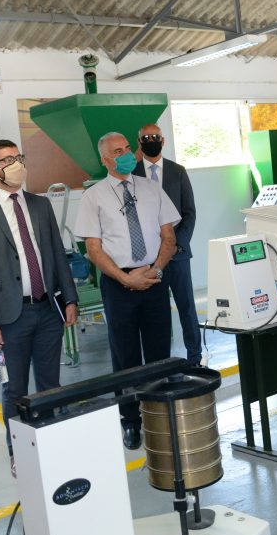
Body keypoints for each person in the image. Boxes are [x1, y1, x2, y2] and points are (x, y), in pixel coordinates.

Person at [0, 140, 78, 477]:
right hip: (8, 318)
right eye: (8, 159)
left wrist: (69, 298)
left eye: (20, 157)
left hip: (47, 310)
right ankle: (20, 453)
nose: (17, 164)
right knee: (13, 388)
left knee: (50, 384)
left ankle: (52, 444)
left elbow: (58, 255)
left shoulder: (40, 205)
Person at [75, 132, 180, 450]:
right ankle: (131, 421)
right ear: (104, 160)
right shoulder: (93, 197)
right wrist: (124, 277)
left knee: (160, 353)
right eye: (116, 152)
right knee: (125, 357)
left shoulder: (152, 189)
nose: (124, 155)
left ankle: (162, 416)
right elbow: (93, 249)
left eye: (126, 149)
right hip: (118, 286)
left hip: (154, 280)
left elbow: (168, 237)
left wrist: (156, 270)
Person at [132, 124, 202, 366]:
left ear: (163, 140)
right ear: (139, 143)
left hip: (178, 255)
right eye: (146, 138)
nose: (151, 140)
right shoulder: (132, 173)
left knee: (186, 308)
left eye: (155, 137)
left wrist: (176, 246)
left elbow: (189, 213)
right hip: (149, 259)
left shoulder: (178, 171)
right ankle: (158, 363)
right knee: (155, 313)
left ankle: (195, 357)